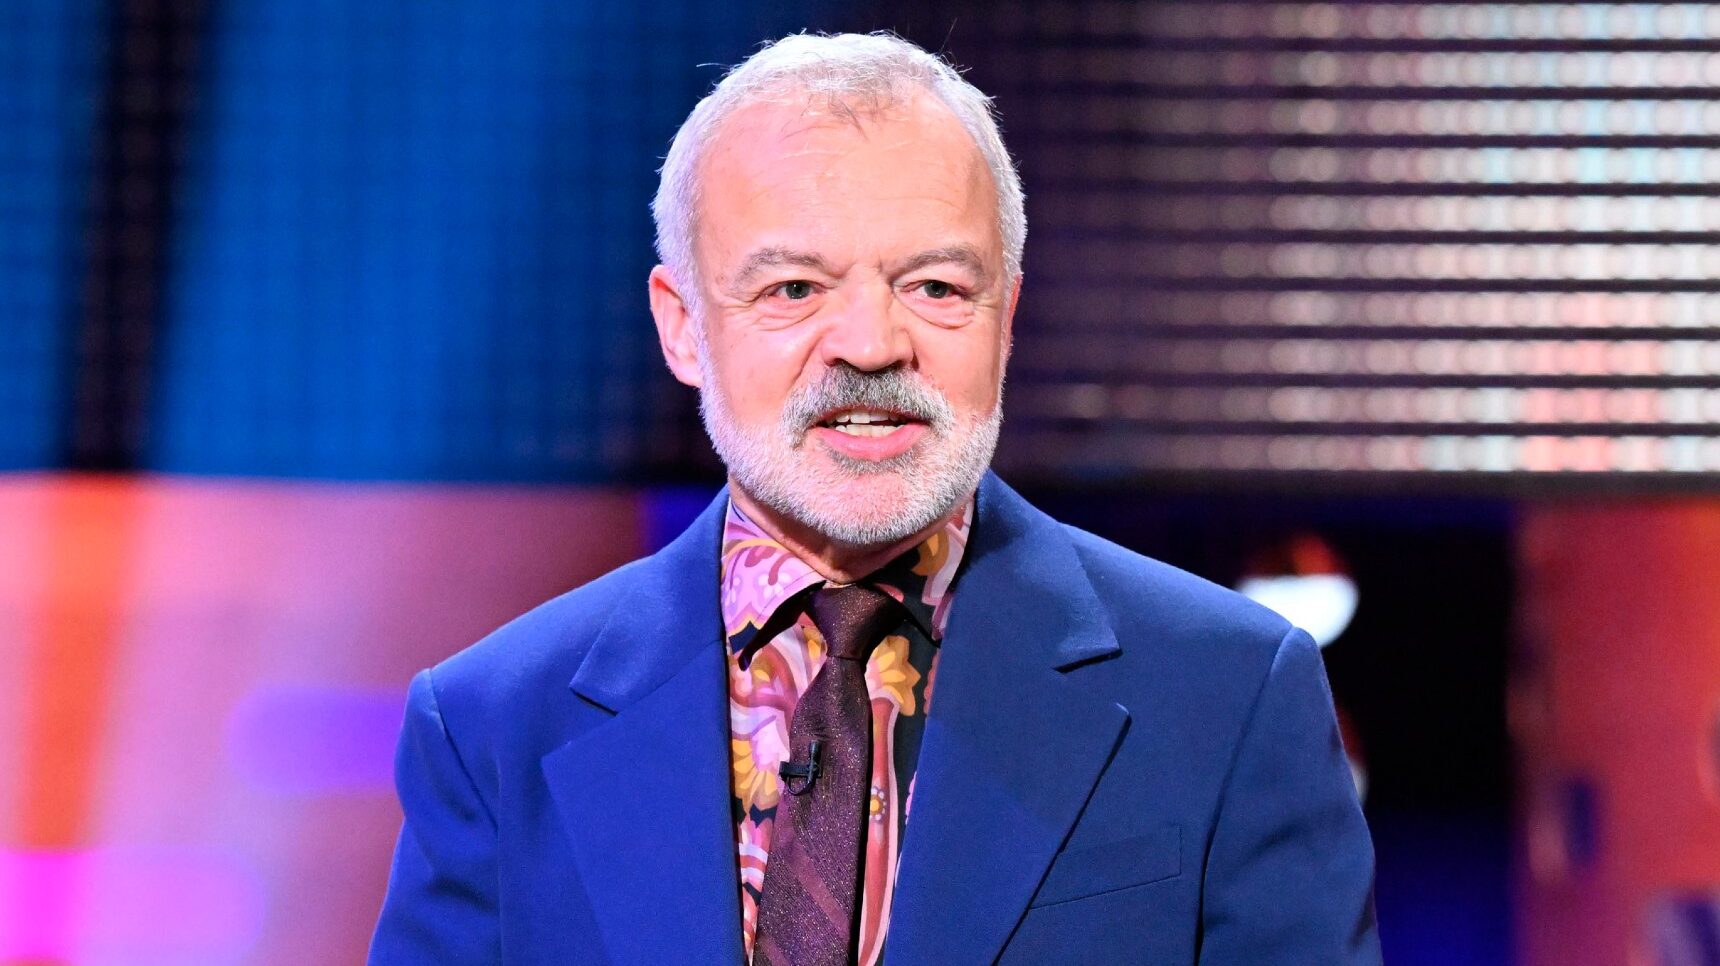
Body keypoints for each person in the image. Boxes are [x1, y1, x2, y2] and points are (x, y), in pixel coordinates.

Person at [368, 31, 1380, 966]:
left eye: (934, 288)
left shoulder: (1230, 695)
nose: (870, 343)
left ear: (1006, 316)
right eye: (793, 290)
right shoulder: (493, 727)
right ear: (682, 327)